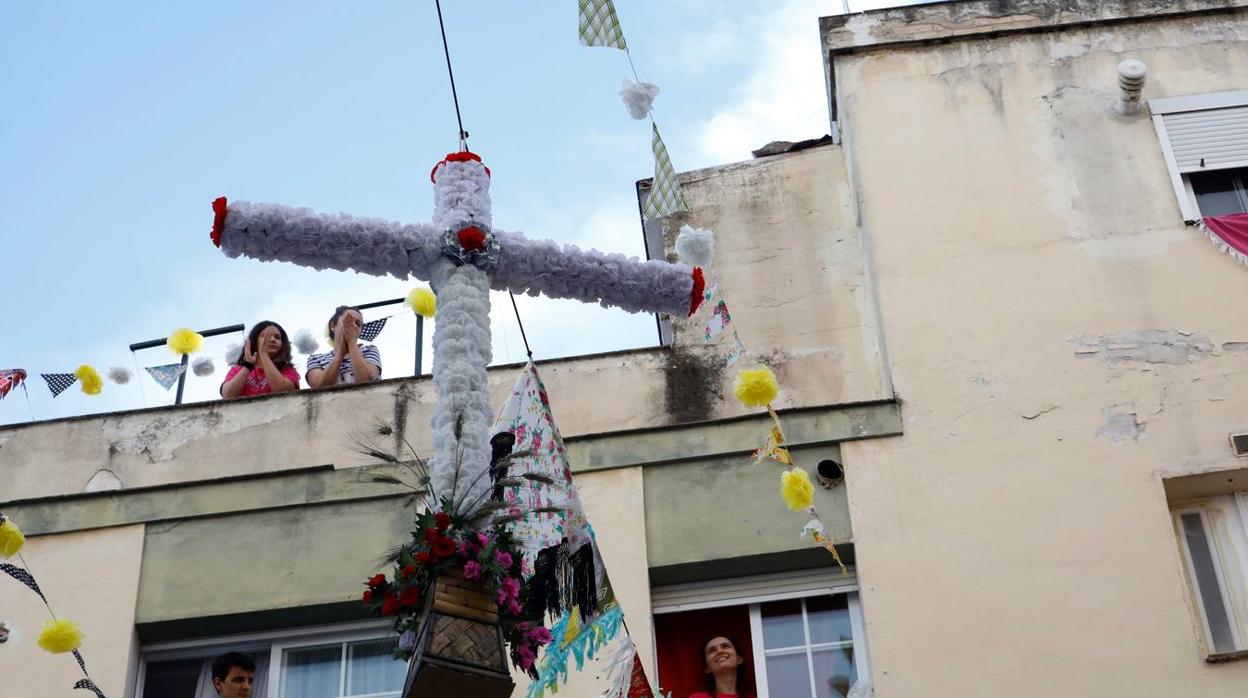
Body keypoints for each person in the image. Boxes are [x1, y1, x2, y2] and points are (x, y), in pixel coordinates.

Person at [306, 305, 381, 388]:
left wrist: (352, 343)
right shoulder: (316, 358)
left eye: (358, 324)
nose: (353, 326)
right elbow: (319, 385)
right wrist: (341, 353)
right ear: (333, 326)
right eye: (347, 321)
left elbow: (366, 380)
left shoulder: (369, 350)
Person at [220, 321, 300, 398]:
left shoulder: (287, 369)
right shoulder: (237, 370)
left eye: (277, 337)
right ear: (254, 342)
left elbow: (282, 391)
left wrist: (263, 355)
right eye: (265, 336)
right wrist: (248, 366)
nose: (273, 340)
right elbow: (228, 395)